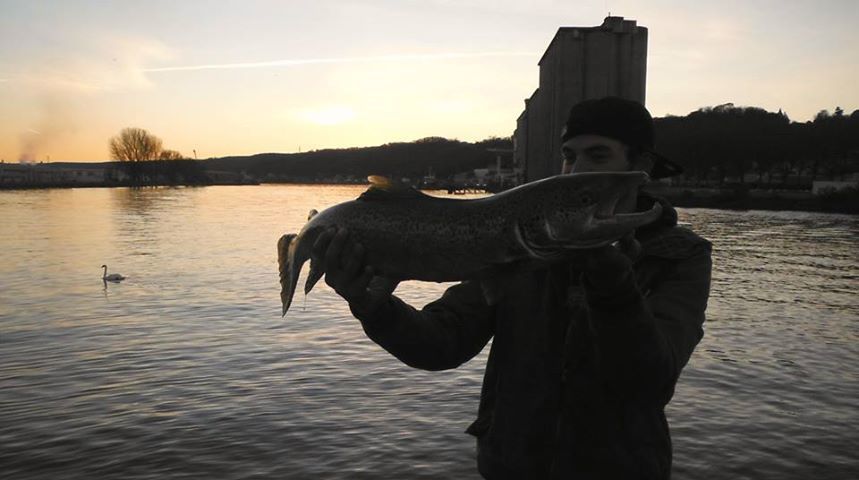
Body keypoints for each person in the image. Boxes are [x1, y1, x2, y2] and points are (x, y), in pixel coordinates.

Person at [313, 97, 712, 479]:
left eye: (598, 155)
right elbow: (439, 343)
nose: (576, 171)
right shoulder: (522, 247)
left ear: (639, 166)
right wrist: (374, 306)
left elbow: (650, 383)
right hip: (511, 469)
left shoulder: (681, 257)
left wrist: (613, 285)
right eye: (570, 156)